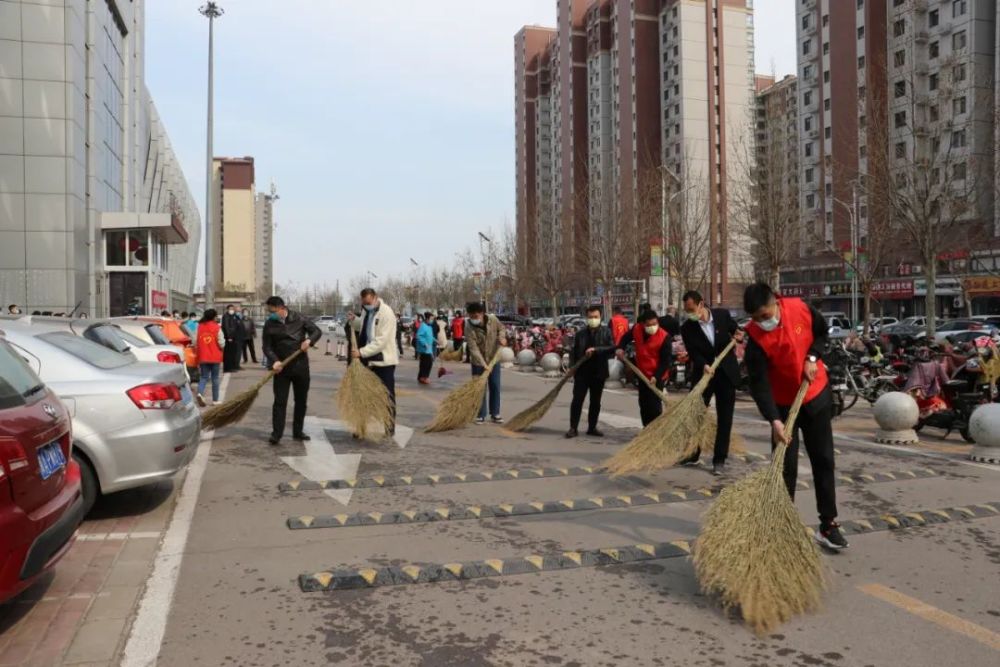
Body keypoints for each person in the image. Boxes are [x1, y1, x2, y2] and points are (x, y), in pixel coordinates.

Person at [743, 282, 847, 550]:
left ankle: (828, 524)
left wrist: (812, 357)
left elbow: (822, 334)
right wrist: (774, 420)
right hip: (782, 407)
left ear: (776, 302)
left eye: (764, 316)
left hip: (815, 396)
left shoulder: (800, 309)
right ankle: (782, 525)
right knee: (784, 468)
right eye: (755, 318)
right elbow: (759, 383)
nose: (761, 322)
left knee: (823, 460)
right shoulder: (754, 337)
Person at [680, 290, 742, 475]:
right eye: (686, 311)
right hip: (704, 376)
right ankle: (693, 452)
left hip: (726, 374)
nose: (689, 313)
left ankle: (719, 459)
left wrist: (738, 335)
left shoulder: (722, 315)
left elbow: (735, 330)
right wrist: (704, 365)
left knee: (725, 418)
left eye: (691, 309)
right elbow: (693, 352)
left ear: (701, 305)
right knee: (696, 415)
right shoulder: (687, 328)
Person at [262, 296, 322, 445]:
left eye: (273, 311)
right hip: (281, 369)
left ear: (282, 308)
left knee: (301, 401)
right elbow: (267, 346)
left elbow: (317, 331)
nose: (271, 314)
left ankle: (298, 431)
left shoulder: (299, 318)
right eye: (270, 312)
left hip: (301, 367)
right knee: (280, 402)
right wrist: (274, 361)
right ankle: (277, 434)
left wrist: (309, 341)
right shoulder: (270, 324)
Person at [351, 288, 399, 433]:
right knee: (363, 394)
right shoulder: (367, 311)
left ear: (375, 297)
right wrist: (356, 320)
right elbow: (367, 328)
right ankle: (361, 427)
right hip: (367, 360)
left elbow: (381, 341)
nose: (366, 305)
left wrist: (361, 352)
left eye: (368, 302)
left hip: (383, 361)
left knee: (387, 395)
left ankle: (389, 426)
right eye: (364, 303)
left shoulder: (387, 313)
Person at [566, 306, 615, 438]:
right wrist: (572, 367)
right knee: (577, 400)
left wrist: (596, 350)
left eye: (595, 317)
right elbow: (574, 352)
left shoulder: (607, 332)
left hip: (599, 372)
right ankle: (573, 428)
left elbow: (612, 348)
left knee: (595, 401)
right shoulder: (580, 334)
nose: (593, 319)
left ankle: (592, 427)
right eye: (590, 317)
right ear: (586, 318)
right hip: (582, 372)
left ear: (600, 317)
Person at [617, 310, 672, 426]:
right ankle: (646, 429)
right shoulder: (637, 329)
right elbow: (625, 338)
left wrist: (656, 377)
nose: (652, 327)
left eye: (654, 324)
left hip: (657, 376)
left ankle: (655, 431)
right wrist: (620, 348)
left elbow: (665, 362)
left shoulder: (664, 337)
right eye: (649, 325)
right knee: (643, 404)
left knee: (654, 406)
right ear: (643, 324)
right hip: (642, 374)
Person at [465, 301, 507, 424]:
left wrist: (502, 337)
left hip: (494, 358)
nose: (473, 319)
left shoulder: (493, 320)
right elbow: (473, 348)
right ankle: (480, 414)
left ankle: (495, 413)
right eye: (471, 317)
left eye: (476, 316)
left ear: (482, 313)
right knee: (480, 388)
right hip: (478, 362)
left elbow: (502, 329)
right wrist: (483, 364)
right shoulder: (468, 326)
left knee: (495, 385)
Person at [195, 309, 225, 406]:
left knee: (204, 377)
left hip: (203, 356)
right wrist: (223, 347)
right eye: (216, 316)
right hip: (215, 356)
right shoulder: (217, 327)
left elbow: (196, 341)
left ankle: (200, 393)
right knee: (215, 378)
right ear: (213, 317)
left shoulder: (200, 327)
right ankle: (215, 400)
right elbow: (221, 343)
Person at [221, 305, 245, 372]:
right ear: (227, 309)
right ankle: (228, 368)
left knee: (234, 353)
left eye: (233, 309)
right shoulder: (226, 316)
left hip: (236, 337)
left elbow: (237, 325)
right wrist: (229, 336)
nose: (232, 310)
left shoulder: (234, 316)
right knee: (228, 354)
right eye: (230, 309)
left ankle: (234, 366)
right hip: (230, 338)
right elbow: (226, 327)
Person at [415, 313, 436, 384]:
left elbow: (429, 336)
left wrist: (435, 340)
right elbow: (419, 336)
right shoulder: (423, 326)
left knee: (424, 363)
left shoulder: (429, 327)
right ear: (427, 319)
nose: (432, 320)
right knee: (428, 363)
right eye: (431, 319)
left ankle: (421, 377)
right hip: (424, 348)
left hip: (428, 348)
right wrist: (424, 343)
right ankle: (424, 377)